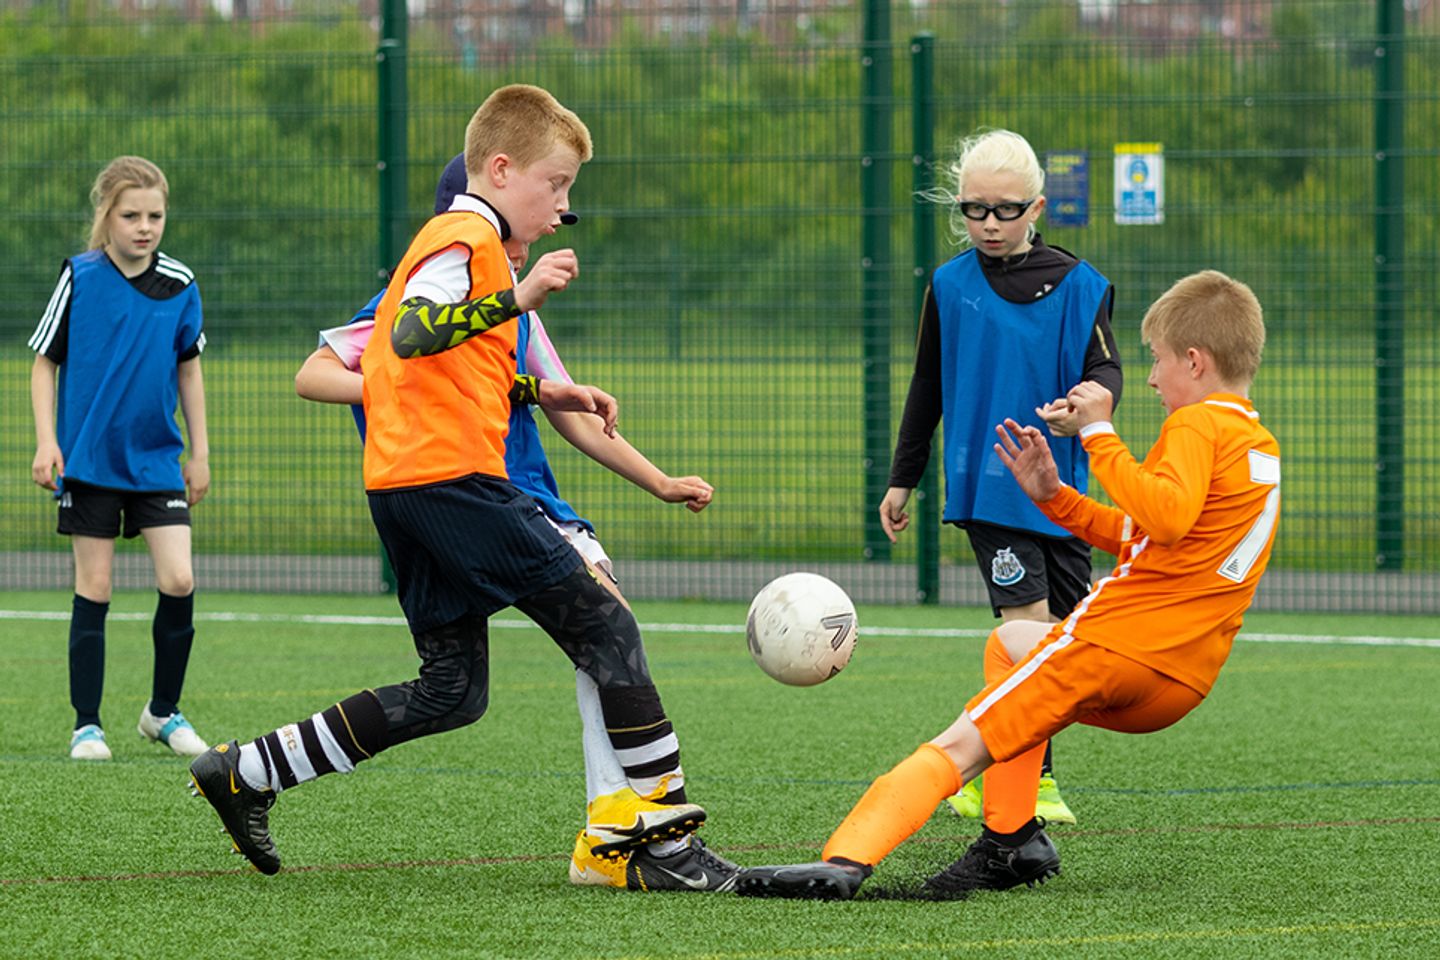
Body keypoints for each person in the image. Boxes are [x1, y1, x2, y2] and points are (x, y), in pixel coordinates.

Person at [189, 84, 739, 891]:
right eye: (556, 186)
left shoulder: (471, 243)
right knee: (606, 627)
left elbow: (436, 369)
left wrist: (538, 392)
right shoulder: (467, 234)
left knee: (453, 691)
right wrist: (517, 295)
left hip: (407, 488)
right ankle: (668, 847)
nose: (561, 208)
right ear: (502, 170)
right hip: (452, 484)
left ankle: (249, 773)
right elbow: (409, 334)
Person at [740, 269, 1279, 900]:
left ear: (1195, 360)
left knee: (963, 743)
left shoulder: (1195, 426)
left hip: (1116, 651)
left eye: (1157, 362)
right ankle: (1014, 839)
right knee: (1013, 642)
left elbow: (1164, 515)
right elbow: (1150, 533)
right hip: (1181, 678)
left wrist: (1099, 433)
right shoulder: (1255, 441)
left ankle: (845, 860)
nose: (1153, 378)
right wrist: (1055, 499)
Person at [879, 129, 1124, 825]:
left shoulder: (1082, 286)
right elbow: (928, 383)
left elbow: (1105, 371)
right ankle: (1029, 781)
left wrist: (1085, 405)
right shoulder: (949, 286)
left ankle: (983, 760)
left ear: (1037, 206)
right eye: (973, 210)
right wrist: (905, 478)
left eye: (1005, 210)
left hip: (1061, 495)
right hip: (987, 493)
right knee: (1027, 634)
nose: (987, 224)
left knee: (1064, 647)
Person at [28, 155, 211, 762]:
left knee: (179, 578)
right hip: (90, 462)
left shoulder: (181, 283)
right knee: (96, 587)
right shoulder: (79, 277)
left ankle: (162, 713)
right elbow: (43, 362)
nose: (144, 226)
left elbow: (189, 367)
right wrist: (46, 441)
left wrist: (201, 451)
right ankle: (87, 726)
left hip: (158, 461)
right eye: (131, 215)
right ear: (106, 215)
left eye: (155, 215)